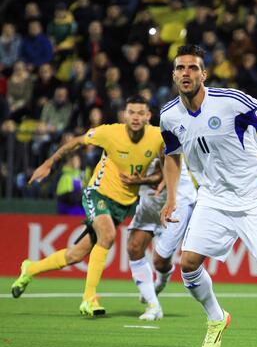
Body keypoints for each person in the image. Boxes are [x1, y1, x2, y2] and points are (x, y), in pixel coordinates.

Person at [159, 44, 257, 347]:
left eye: (193, 68)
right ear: (174, 74)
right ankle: (216, 316)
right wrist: (172, 198)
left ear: (204, 74)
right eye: (180, 68)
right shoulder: (168, 115)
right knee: (188, 265)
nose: (186, 73)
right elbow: (172, 156)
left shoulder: (230, 101)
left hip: (252, 195)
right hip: (212, 199)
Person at [10, 96, 163, 317]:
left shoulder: (157, 137)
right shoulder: (109, 132)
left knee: (76, 255)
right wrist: (48, 163)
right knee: (108, 235)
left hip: (123, 204)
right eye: (132, 112)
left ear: (148, 116)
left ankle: (30, 269)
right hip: (97, 193)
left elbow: (166, 169)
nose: (136, 117)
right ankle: (89, 298)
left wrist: (147, 182)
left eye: (141, 113)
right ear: (125, 114)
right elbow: (76, 142)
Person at [126, 157, 197, 321]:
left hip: (178, 203)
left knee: (159, 261)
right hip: (150, 203)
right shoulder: (126, 144)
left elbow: (165, 170)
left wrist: (140, 180)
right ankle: (153, 305)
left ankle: (160, 283)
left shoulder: (163, 137)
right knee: (133, 248)